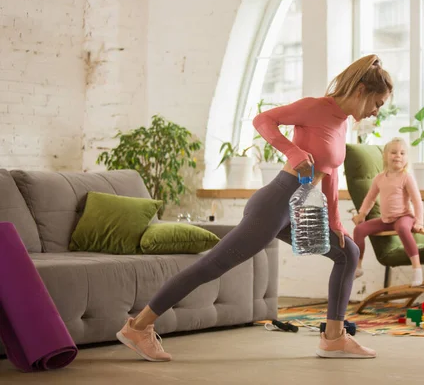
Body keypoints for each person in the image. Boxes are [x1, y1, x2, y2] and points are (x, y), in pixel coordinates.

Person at [115, 54, 392, 361]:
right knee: (212, 266)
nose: (376, 112)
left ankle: (334, 338)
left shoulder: (342, 123)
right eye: (377, 103)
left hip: (298, 206)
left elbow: (331, 172)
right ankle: (138, 326)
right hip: (276, 203)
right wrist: (292, 149)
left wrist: (336, 221)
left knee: (347, 252)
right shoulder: (316, 107)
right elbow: (264, 120)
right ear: (361, 91)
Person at [351, 137, 424, 286]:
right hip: (386, 220)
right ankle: (358, 266)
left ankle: (417, 269)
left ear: (406, 158)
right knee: (359, 229)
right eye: (394, 152)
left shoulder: (406, 177)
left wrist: (419, 221)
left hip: (404, 217)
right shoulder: (379, 178)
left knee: (403, 228)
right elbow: (370, 198)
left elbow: (417, 201)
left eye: (402, 153)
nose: (398, 156)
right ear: (385, 155)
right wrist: (362, 214)